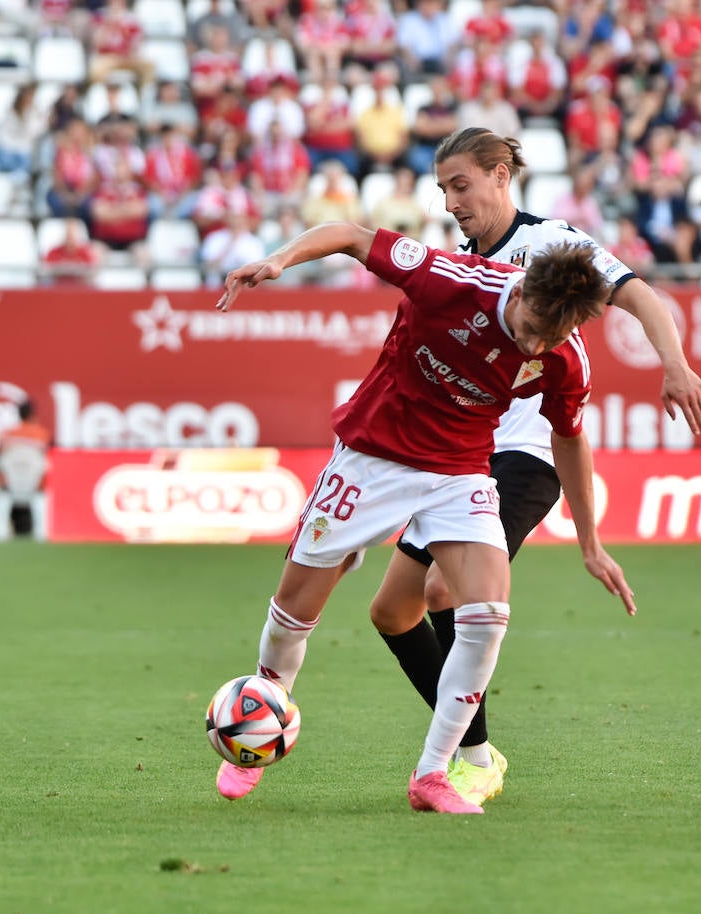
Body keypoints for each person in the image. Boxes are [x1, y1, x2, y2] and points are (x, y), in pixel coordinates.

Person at [212, 220, 637, 814]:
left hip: (459, 472)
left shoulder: (565, 358)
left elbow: (569, 439)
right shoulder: (450, 280)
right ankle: (257, 728)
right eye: (533, 331)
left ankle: (434, 775)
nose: (537, 348)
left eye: (554, 337)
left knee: (487, 615)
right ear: (517, 294)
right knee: (294, 615)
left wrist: (590, 542)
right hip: (372, 458)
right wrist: (281, 259)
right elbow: (353, 235)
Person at [369, 127, 701, 807]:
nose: (450, 201)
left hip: (526, 455)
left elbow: (640, 296)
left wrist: (675, 366)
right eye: (443, 189)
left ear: (502, 175)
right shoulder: (460, 261)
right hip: (458, 454)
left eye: (461, 185)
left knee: (444, 591)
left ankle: (467, 759)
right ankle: (476, 748)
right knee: (392, 611)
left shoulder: (554, 244)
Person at [0, 399, 52, 541]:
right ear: (32, 415)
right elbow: (47, 462)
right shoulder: (43, 435)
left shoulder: (7, 435)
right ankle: (42, 535)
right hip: (35, 485)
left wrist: (3, 481)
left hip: (9, 484)